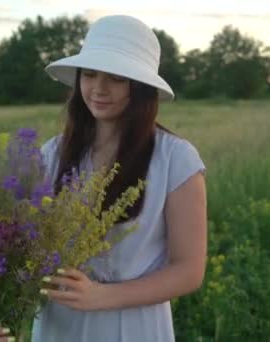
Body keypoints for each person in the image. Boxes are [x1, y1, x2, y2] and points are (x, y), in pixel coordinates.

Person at [28, 14, 208, 342]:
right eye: (90, 74)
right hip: (58, 325)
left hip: (134, 326)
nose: (98, 89)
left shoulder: (176, 159)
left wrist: (100, 297)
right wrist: (1, 314)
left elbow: (189, 271)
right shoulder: (50, 155)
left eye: (116, 78)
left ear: (139, 87)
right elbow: (26, 249)